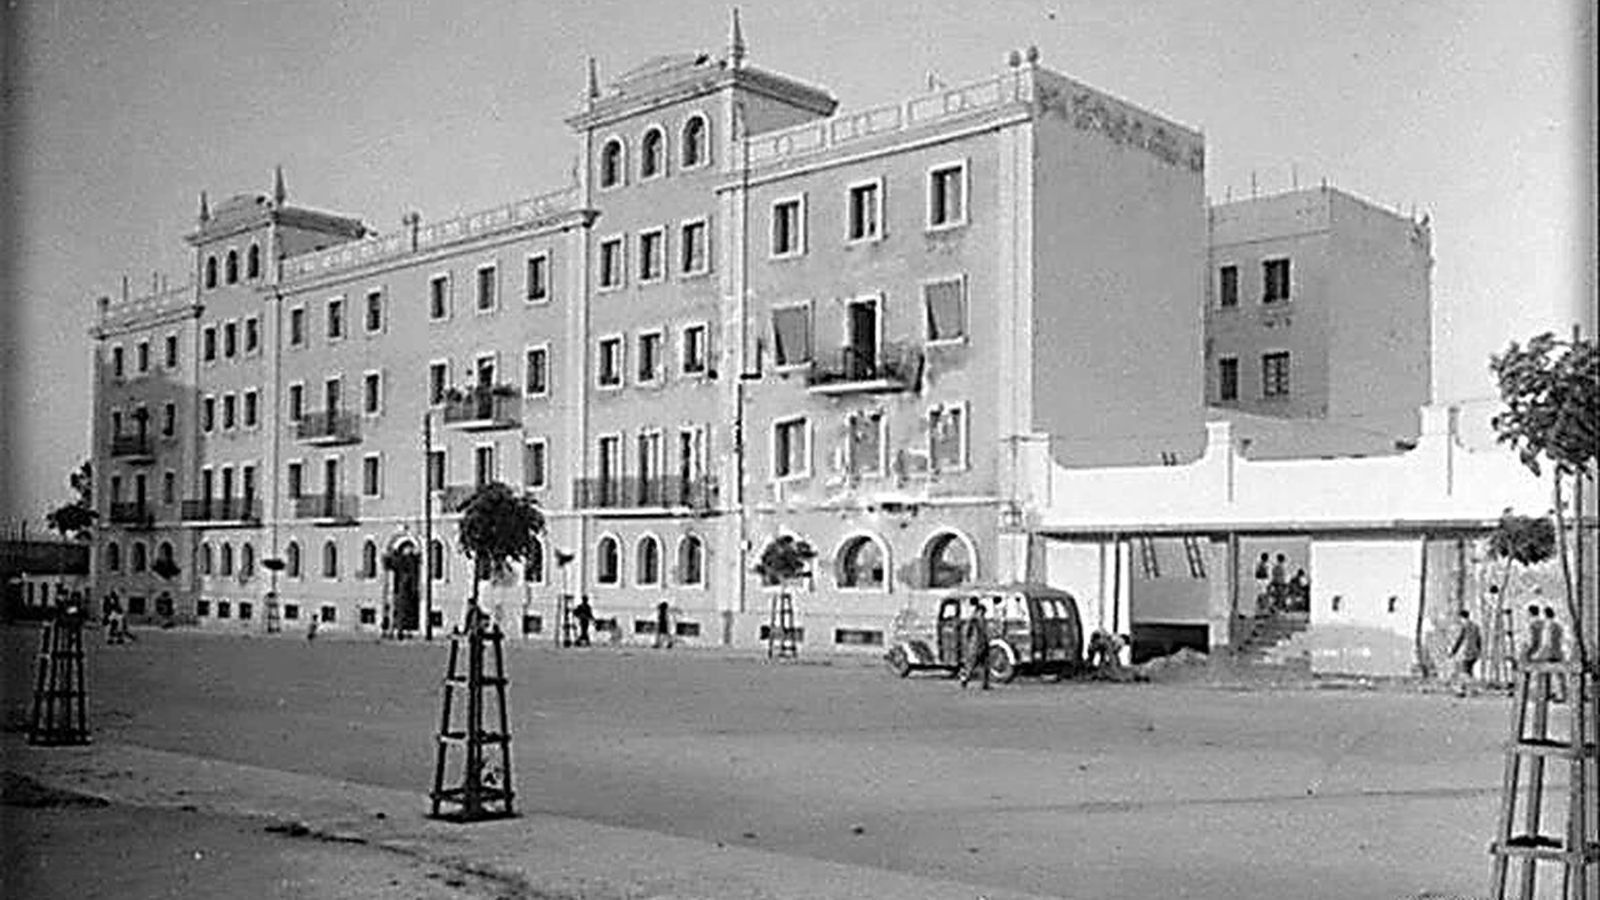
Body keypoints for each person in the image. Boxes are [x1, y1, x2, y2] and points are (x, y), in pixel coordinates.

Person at [1535, 606, 1567, 702]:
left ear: (1545, 615)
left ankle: (1547, 694)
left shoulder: (1547, 626)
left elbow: (1547, 641)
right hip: (1557, 652)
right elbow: (1560, 639)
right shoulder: (1558, 625)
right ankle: (1561, 694)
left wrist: (1540, 653)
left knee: (1545, 674)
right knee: (1559, 675)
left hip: (1549, 652)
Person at [1448, 609, 1482, 695]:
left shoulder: (1464, 627)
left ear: (1462, 617)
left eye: (1459, 618)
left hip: (1467, 652)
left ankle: (1465, 690)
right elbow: (1479, 640)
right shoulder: (1476, 626)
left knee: (1464, 672)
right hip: (1475, 652)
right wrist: (1479, 651)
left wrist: (1453, 651)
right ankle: (1468, 689)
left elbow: (1459, 640)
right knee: (1469, 672)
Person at [959, 598, 991, 690]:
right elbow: (967, 632)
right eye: (982, 612)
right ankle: (964, 680)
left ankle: (985, 684)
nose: (983, 614)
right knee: (971, 665)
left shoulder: (981, 620)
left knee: (986, 665)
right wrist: (969, 643)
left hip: (982, 643)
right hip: (975, 645)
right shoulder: (974, 619)